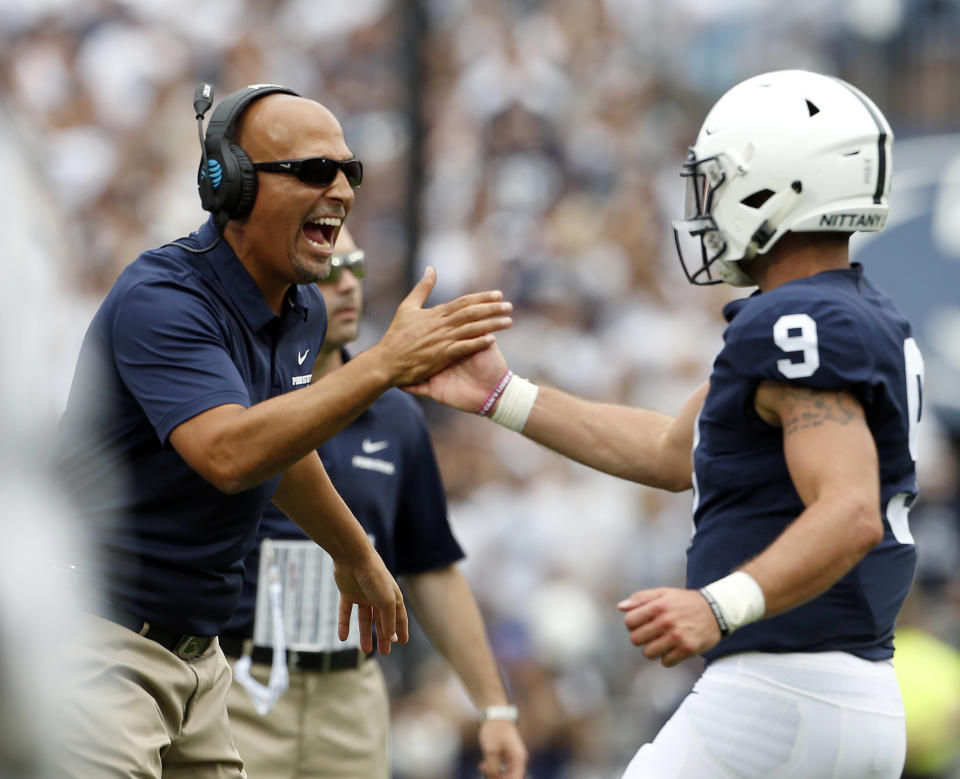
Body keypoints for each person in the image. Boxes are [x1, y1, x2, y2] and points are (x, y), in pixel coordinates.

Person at [409, 69, 922, 778]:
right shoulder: (847, 316)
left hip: (778, 693)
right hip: (855, 695)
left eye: (720, 182)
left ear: (779, 186)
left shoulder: (796, 321)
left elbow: (851, 508)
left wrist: (719, 603)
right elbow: (669, 451)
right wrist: (504, 394)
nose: (709, 206)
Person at [53, 83, 512, 777]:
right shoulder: (162, 299)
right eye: (312, 170)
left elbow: (282, 452)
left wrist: (354, 552)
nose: (340, 188)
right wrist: (385, 364)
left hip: (199, 663)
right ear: (230, 184)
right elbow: (230, 453)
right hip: (104, 644)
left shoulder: (301, 311)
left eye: (348, 171)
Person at [220, 226, 528, 779]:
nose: (347, 286)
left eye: (354, 267)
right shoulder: (231, 399)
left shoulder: (396, 417)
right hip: (237, 684)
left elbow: (431, 566)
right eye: (326, 271)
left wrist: (495, 706)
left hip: (352, 694)